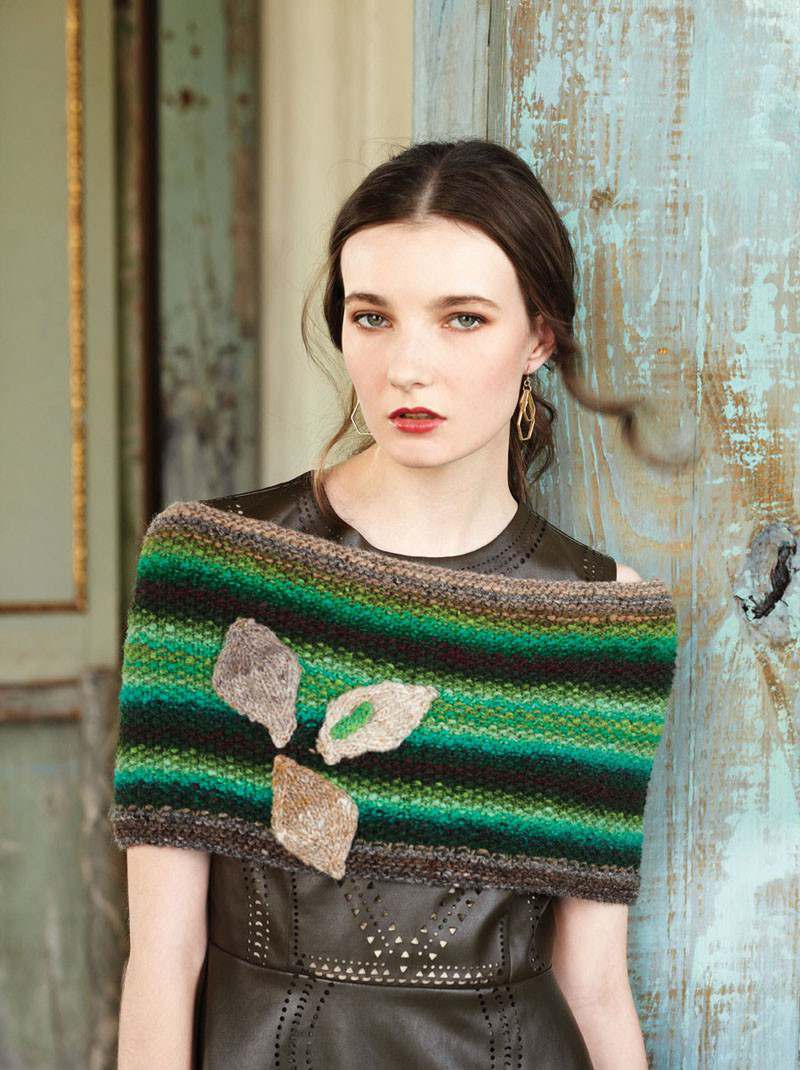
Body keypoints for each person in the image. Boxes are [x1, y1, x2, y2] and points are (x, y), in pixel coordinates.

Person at [114, 138, 679, 1069]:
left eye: (463, 318)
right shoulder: (210, 568)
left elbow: (593, 981)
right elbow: (162, 961)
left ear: (538, 338)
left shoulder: (602, 622)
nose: (408, 366)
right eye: (372, 317)